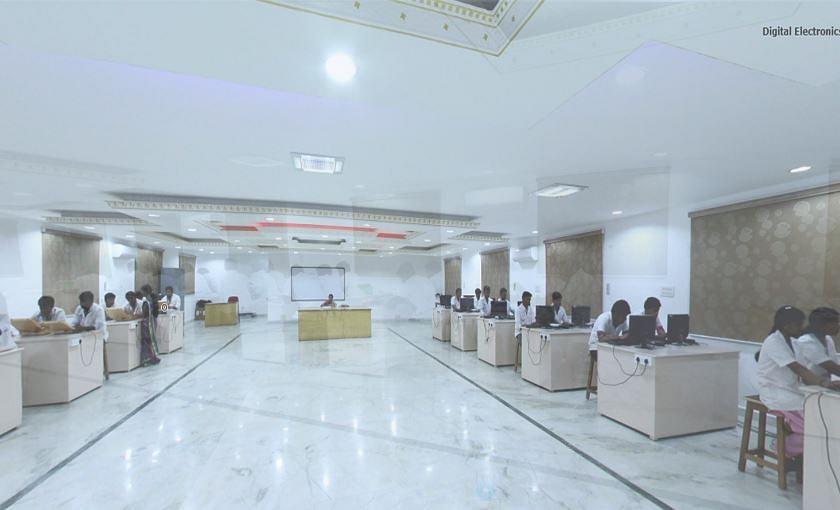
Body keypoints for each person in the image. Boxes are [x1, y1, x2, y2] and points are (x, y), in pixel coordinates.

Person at [757, 306, 839, 462]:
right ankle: (780, 448)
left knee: (822, 422)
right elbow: (798, 368)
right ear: (786, 326)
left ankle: (806, 458)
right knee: (814, 430)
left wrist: (824, 386)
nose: (802, 328)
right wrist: (823, 382)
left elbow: (804, 372)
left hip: (793, 391)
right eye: (799, 325)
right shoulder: (773, 342)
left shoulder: (795, 343)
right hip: (776, 394)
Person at [795, 307, 840, 379]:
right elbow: (831, 367)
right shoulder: (806, 341)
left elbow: (835, 365)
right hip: (809, 383)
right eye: (836, 323)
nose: (838, 325)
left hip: (825, 381)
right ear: (823, 325)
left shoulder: (828, 339)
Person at [138, 285, 161, 366]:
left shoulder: (150, 300)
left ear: (146, 291)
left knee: (149, 339)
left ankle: (150, 357)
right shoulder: (149, 299)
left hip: (150, 321)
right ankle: (152, 357)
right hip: (151, 320)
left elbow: (147, 312)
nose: (142, 293)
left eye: (143, 291)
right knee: (150, 339)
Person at [514, 291, 536, 372]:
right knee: (526, 344)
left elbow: (533, 321)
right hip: (520, 333)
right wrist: (526, 326)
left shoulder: (530, 309)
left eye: (530, 300)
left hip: (529, 332)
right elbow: (518, 325)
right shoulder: (518, 309)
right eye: (527, 299)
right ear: (523, 299)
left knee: (536, 343)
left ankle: (532, 365)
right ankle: (526, 366)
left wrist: (534, 324)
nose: (529, 301)